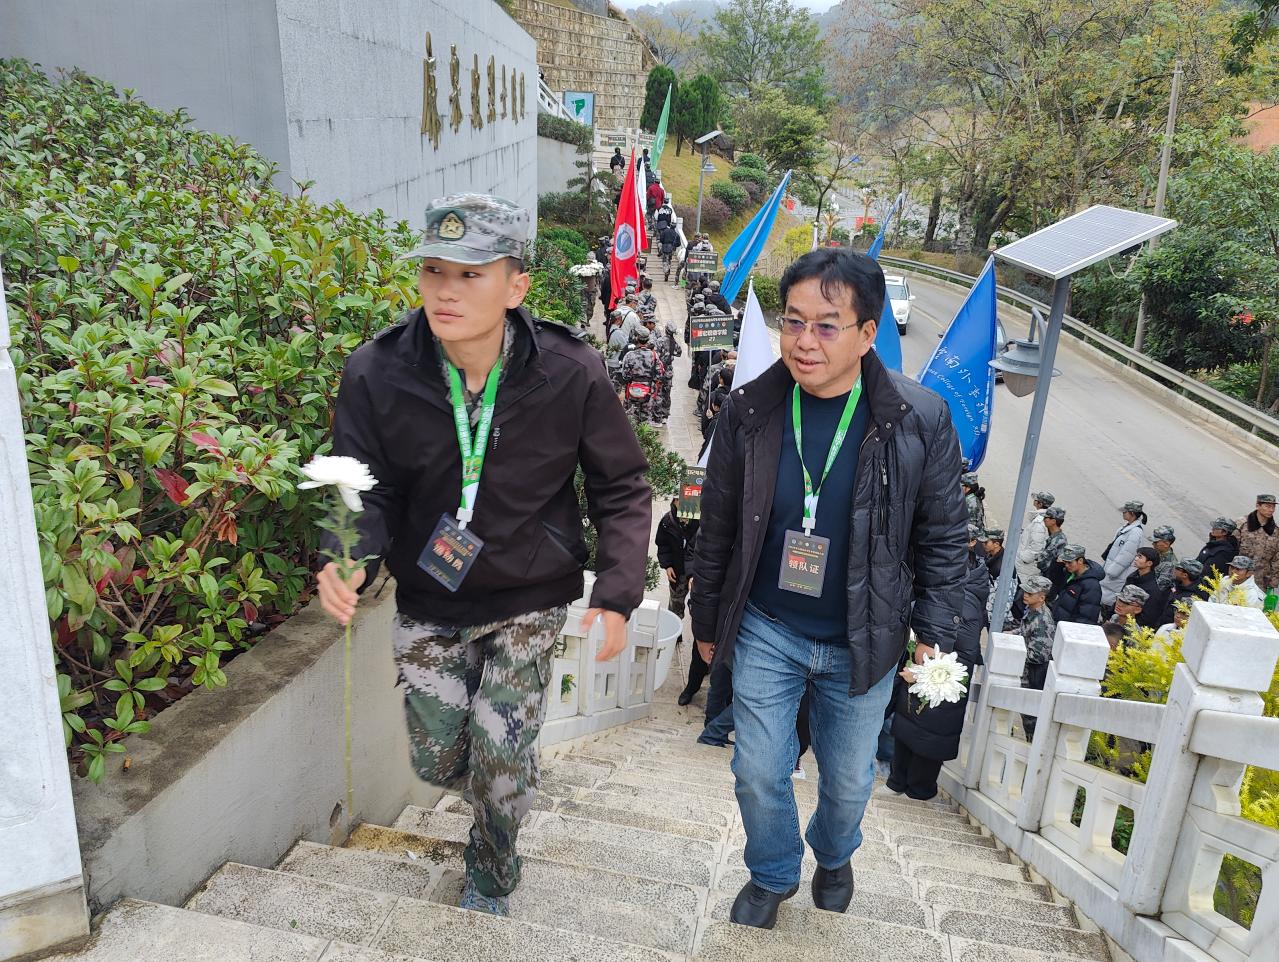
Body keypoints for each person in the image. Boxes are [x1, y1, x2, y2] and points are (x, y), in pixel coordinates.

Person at [318, 193, 650, 917]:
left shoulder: (569, 370)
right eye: (434, 270)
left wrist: (617, 591)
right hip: (428, 599)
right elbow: (361, 482)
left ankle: (492, 871)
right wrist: (346, 553)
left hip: (530, 596)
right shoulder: (376, 371)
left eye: (471, 274)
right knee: (438, 759)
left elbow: (621, 484)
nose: (447, 290)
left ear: (515, 286)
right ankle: (509, 770)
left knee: (497, 767)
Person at [689, 247, 967, 929]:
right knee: (757, 768)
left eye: (825, 325)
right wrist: (706, 617)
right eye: (792, 321)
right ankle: (772, 872)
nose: (803, 341)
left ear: (867, 333)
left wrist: (935, 637)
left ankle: (835, 853)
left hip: (862, 635)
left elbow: (943, 541)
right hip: (767, 624)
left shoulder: (918, 419)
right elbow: (718, 524)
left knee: (847, 782)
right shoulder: (750, 407)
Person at [888, 536, 989, 801]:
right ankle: (898, 782)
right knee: (909, 731)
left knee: (928, 738)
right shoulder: (949, 591)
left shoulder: (965, 600)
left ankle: (918, 791)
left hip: (940, 681)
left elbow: (958, 652)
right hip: (921, 671)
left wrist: (923, 671)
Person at [1017, 575, 1057, 738]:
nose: (1025, 595)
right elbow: (1026, 632)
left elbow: (1039, 655)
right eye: (1025, 591)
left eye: (1030, 593)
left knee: (1031, 717)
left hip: (1033, 675)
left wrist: (1017, 651)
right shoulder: (1032, 611)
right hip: (1027, 671)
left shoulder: (1043, 620)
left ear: (1042, 597)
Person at [655, 497, 699, 630]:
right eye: (679, 499)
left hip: (697, 573)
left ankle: (698, 635)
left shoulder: (701, 522)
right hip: (677, 572)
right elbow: (663, 545)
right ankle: (673, 630)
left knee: (698, 607)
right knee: (675, 604)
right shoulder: (667, 522)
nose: (684, 503)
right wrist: (667, 565)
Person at [1100, 500, 1146, 609]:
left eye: (1125, 512)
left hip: (1116, 575)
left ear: (1132, 514)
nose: (1123, 513)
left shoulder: (1135, 533)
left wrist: (1111, 572)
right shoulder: (1126, 528)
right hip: (1111, 574)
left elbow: (1126, 555)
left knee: (1108, 602)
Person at [1050, 544, 1103, 626]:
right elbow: (1054, 583)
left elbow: (1087, 617)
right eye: (1065, 562)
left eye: (1069, 562)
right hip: (1058, 621)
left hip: (1067, 627)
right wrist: (1056, 565)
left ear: (1080, 561)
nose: (1066, 565)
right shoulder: (1070, 572)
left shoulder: (1092, 586)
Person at [1236, 494, 1278, 591]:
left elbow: (1276, 558)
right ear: (1258, 506)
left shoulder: (1275, 531)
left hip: (1260, 582)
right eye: (1267, 506)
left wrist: (1273, 582)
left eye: (1273, 507)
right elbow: (1230, 548)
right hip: (1238, 577)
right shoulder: (1242, 524)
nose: (1271, 510)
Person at [1124, 547, 1169, 630]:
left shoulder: (1152, 589)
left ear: (1149, 563)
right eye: (1136, 556)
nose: (1136, 558)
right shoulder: (1133, 577)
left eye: (1140, 557)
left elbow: (1148, 617)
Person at [1015, 491, 1055, 584]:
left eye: (1036, 500)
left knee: (1022, 587)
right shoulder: (1042, 519)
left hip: (1026, 568)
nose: (1034, 501)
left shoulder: (1039, 522)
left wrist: (1023, 558)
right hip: (1027, 566)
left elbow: (1036, 547)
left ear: (1040, 504)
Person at [1163, 558, 1207, 625]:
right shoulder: (1177, 583)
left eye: (1177, 568)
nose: (1174, 569)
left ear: (1185, 575)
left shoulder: (1194, 597)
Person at [1197, 517, 1240, 581]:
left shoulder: (1224, 552)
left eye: (1217, 527)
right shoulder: (1212, 544)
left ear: (1224, 532)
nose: (1213, 529)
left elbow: (1208, 572)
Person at [1037, 506, 1067, 581]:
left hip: (1048, 580)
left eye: (1046, 518)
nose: (1044, 519)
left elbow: (1042, 564)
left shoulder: (1057, 541)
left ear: (1053, 521)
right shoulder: (1055, 537)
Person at [1151, 524, 1178, 590]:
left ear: (1166, 544)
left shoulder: (1170, 564)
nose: (1153, 544)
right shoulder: (1156, 553)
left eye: (1156, 542)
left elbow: (1158, 588)